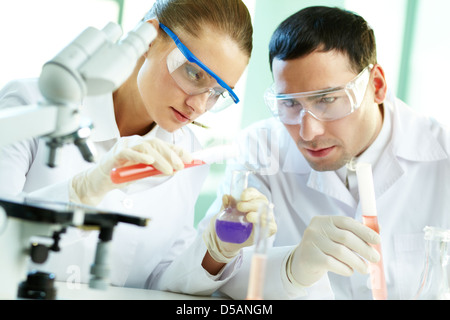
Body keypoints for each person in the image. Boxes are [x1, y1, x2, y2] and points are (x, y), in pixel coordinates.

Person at [154, 6, 450, 300]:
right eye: (290, 104)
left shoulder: (443, 156)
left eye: (328, 99)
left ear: (377, 85)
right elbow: (203, 284)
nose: (308, 133)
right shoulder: (262, 149)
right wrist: (292, 268)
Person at [0, 0, 261, 290]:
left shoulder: (187, 156)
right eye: (193, 72)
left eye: (216, 92)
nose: (199, 105)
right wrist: (81, 191)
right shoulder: (32, 106)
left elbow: (160, 281)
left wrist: (218, 252)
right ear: (148, 40)